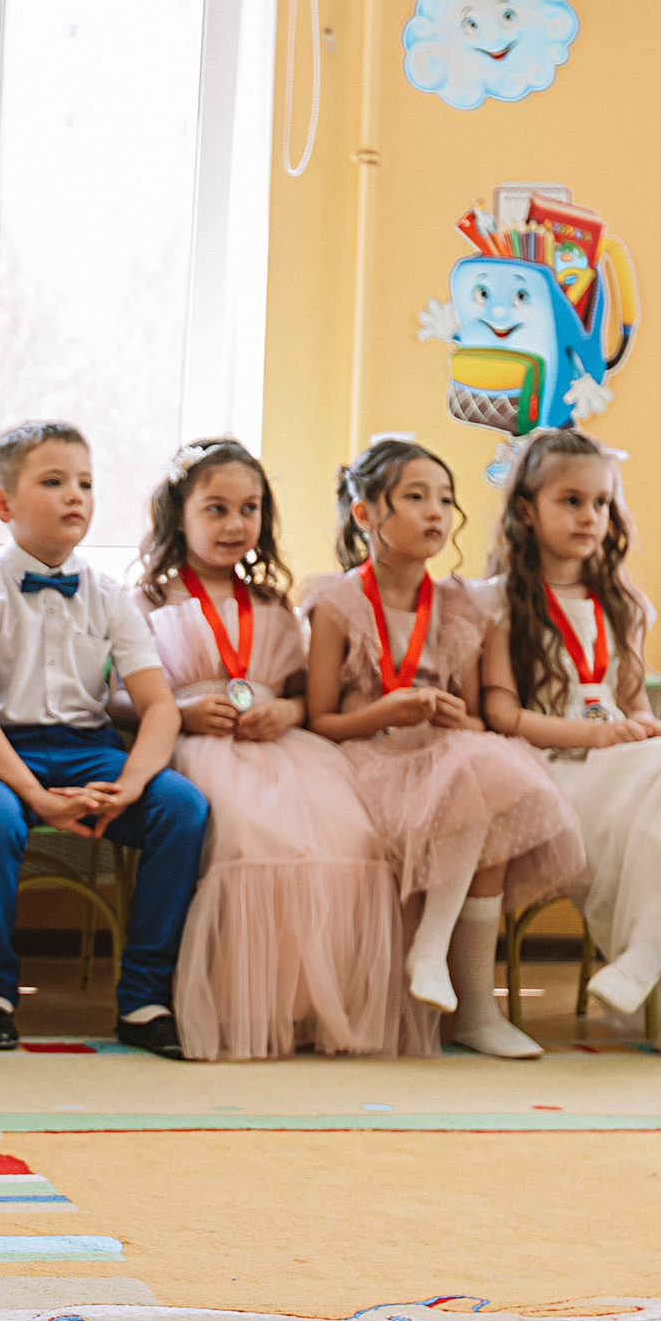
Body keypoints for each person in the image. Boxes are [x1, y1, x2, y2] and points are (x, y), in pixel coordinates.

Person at [479, 429, 661, 1068]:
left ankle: (648, 963)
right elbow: (501, 715)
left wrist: (644, 726)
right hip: (543, 770)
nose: (590, 517)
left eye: (602, 503)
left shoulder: (623, 603)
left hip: (617, 763)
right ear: (527, 509)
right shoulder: (497, 602)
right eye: (571, 501)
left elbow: (632, 703)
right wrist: (597, 733)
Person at [131, 439, 421, 1059]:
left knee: (351, 835)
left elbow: (304, 698)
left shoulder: (274, 605)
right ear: (178, 515)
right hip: (197, 746)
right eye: (216, 509)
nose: (236, 524)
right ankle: (245, 1005)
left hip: (281, 747)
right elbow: (115, 699)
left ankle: (309, 1006)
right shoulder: (148, 602)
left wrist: (285, 711)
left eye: (250, 508)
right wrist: (178, 711)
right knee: (247, 834)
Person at [304, 438, 584, 1060]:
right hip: (370, 757)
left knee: (482, 771)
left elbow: (482, 718)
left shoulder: (466, 606)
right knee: (475, 775)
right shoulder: (337, 603)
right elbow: (320, 718)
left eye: (446, 499)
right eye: (415, 497)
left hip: (449, 755)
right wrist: (385, 711)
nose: (436, 512)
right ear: (366, 514)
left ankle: (464, 991)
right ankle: (453, 977)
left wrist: (455, 715)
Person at [0, 421, 207, 1057]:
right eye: (53, 482)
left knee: (183, 808)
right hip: (7, 753)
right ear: (3, 504)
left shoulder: (111, 596)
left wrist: (130, 785)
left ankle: (144, 999)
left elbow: (159, 708)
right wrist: (36, 795)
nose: (75, 497)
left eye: (85, 483)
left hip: (91, 747)